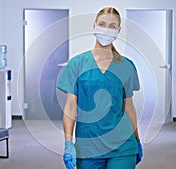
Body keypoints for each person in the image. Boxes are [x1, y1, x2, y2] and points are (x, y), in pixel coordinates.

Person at [56, 7, 143, 169]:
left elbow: (129, 107)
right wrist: (68, 143)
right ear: (94, 25)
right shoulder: (77, 64)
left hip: (122, 145)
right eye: (102, 24)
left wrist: (137, 139)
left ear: (118, 30)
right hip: (88, 146)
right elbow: (70, 107)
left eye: (112, 26)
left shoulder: (126, 66)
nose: (106, 29)